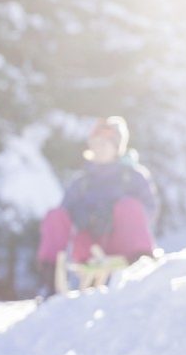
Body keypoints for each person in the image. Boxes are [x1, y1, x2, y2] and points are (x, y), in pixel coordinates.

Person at [36, 116, 159, 293]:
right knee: (56, 215)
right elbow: (65, 213)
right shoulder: (82, 182)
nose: (98, 148)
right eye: (95, 143)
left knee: (130, 206)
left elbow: (149, 209)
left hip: (123, 241)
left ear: (116, 147)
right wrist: (84, 218)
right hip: (90, 245)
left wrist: (116, 215)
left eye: (104, 144)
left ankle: (142, 264)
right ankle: (49, 275)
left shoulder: (132, 177)